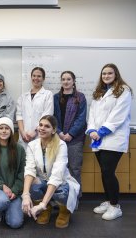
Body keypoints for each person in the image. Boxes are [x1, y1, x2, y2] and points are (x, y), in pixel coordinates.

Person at [86, 63, 132, 221]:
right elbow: (92, 113)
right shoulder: (99, 92)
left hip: (113, 138)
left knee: (108, 171)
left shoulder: (123, 91)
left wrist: (101, 131)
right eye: (104, 73)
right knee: (104, 172)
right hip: (98, 139)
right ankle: (108, 201)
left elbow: (118, 115)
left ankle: (115, 206)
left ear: (116, 74)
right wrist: (91, 130)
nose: (106, 76)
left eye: (109, 73)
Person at [21, 115, 80, 228]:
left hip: (60, 182)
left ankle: (64, 211)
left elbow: (57, 176)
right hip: (44, 180)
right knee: (33, 185)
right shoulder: (32, 145)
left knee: (62, 192)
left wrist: (42, 203)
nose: (42, 128)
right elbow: (29, 170)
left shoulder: (61, 145)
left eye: (47, 126)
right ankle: (46, 210)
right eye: (41, 125)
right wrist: (26, 195)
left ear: (53, 130)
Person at [53, 71, 87, 203]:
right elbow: (54, 116)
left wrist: (70, 134)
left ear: (73, 81)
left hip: (75, 139)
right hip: (58, 138)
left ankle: (75, 199)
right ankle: (60, 199)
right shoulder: (56, 97)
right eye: (63, 79)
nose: (66, 82)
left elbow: (81, 118)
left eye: (68, 79)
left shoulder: (80, 97)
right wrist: (60, 133)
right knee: (59, 169)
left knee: (74, 169)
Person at [16, 67, 53, 149]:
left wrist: (35, 131)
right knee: (23, 160)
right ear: (31, 77)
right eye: (34, 76)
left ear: (43, 79)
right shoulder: (23, 96)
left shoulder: (47, 94)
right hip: (24, 136)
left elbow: (47, 115)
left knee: (39, 159)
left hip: (39, 136)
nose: (36, 78)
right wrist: (22, 133)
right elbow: (19, 115)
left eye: (39, 76)